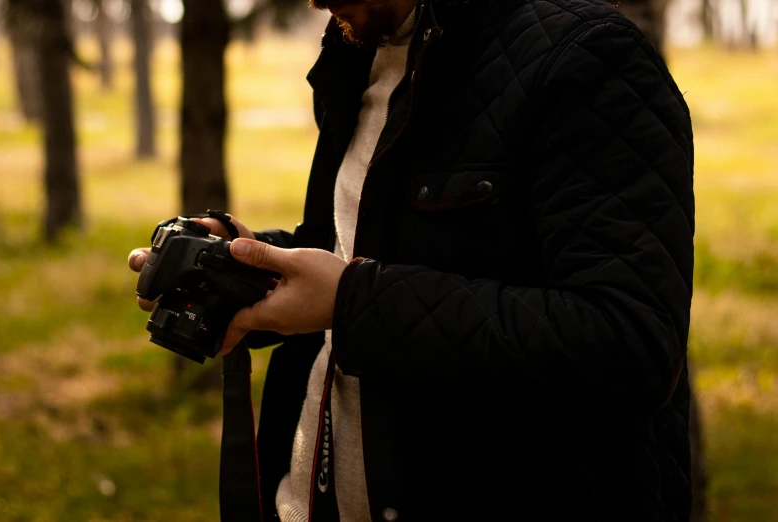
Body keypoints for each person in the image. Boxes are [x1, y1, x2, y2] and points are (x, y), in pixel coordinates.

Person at [129, 0, 695, 519]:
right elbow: (362, 249)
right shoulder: (360, 53)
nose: (316, 0)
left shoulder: (589, 55)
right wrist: (245, 267)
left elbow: (631, 339)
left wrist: (354, 300)